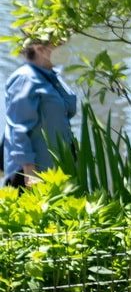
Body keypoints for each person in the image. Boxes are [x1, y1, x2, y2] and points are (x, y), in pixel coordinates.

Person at [4, 36, 78, 188]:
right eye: (59, 44)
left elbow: (68, 109)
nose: (64, 49)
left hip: (55, 167)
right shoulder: (25, 78)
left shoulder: (51, 75)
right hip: (33, 172)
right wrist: (29, 172)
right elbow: (18, 129)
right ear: (39, 49)